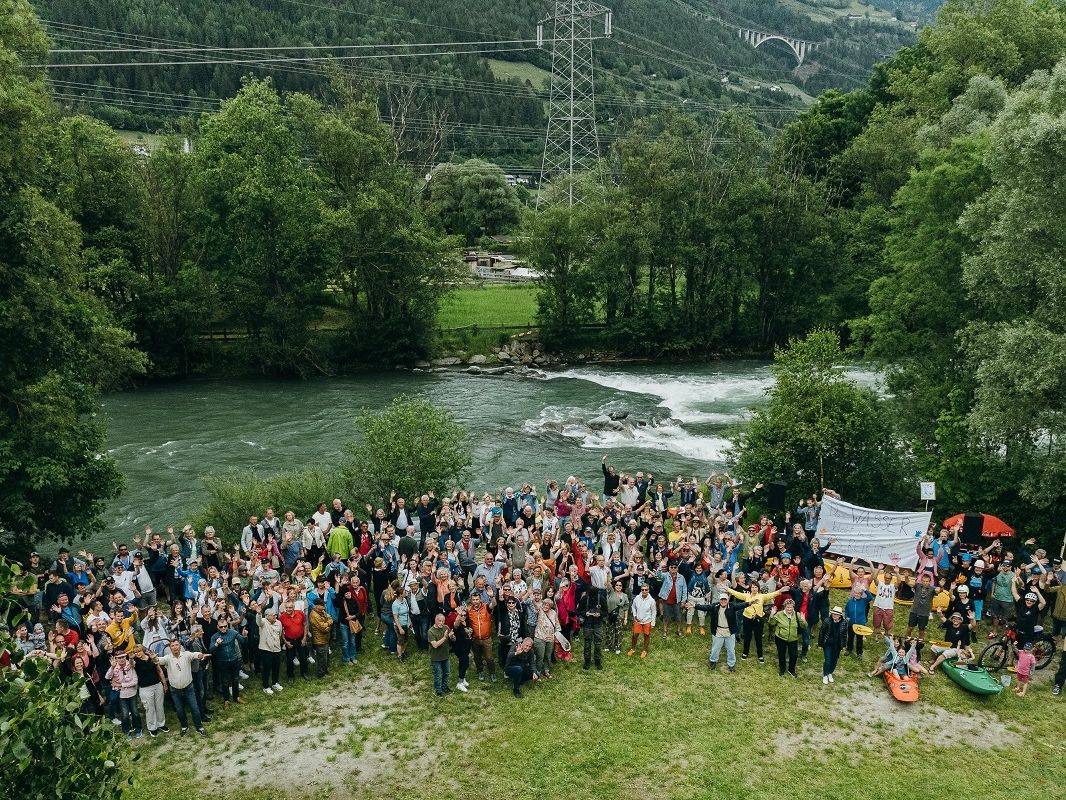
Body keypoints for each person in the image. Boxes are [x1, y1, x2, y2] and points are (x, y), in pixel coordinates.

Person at [154, 638, 209, 736]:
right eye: (172, 645)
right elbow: (159, 660)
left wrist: (201, 655)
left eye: (177, 645)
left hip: (188, 688)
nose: (175, 647)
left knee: (194, 708)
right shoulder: (167, 658)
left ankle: (199, 726)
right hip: (175, 690)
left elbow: (195, 654)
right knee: (179, 710)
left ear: (180, 646)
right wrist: (154, 658)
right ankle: (184, 726)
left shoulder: (186, 655)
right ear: (170, 648)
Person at [209, 617, 245, 707]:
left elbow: (243, 641)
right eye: (221, 627)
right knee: (224, 681)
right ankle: (226, 700)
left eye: (225, 626)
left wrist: (244, 635)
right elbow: (211, 650)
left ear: (227, 626)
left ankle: (236, 697)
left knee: (235, 679)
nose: (223, 628)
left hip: (234, 660)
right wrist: (216, 644)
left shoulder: (233, 633)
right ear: (218, 627)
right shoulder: (214, 636)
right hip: (222, 662)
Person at [768, 597, 807, 678]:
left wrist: (803, 620)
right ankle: (782, 669)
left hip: (793, 639)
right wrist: (772, 615)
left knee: (794, 655)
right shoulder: (779, 614)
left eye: (791, 607)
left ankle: (791, 670)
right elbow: (772, 623)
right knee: (781, 654)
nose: (789, 609)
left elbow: (804, 626)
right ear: (784, 607)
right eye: (788, 607)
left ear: (793, 607)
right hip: (780, 638)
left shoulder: (797, 615)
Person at [255, 605, 284, 694]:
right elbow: (258, 622)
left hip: (277, 649)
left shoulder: (279, 623)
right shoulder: (263, 621)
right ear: (267, 616)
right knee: (266, 669)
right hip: (266, 649)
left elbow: (280, 634)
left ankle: (275, 683)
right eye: (273, 615)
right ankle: (266, 686)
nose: (275, 616)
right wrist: (259, 613)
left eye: (275, 615)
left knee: (276, 667)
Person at [579, 586, 608, 670]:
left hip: (598, 624)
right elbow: (578, 610)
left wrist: (600, 614)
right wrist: (585, 613)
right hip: (587, 624)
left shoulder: (601, 598)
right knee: (587, 644)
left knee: (598, 644)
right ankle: (587, 661)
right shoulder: (585, 598)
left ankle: (597, 661)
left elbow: (606, 611)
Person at [819, 605, 849, 684]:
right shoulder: (827, 621)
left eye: (837, 614)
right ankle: (825, 675)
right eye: (833, 614)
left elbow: (845, 634)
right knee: (828, 660)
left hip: (837, 645)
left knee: (834, 660)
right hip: (828, 644)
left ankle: (830, 673)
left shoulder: (844, 622)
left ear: (840, 616)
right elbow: (822, 632)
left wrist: (844, 645)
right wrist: (820, 644)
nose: (834, 615)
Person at [428, 612, 454, 696]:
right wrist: (445, 637)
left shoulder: (446, 627)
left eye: (443, 621)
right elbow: (435, 645)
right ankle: (438, 691)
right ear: (435, 620)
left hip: (445, 655)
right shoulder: (431, 631)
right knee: (438, 675)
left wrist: (452, 636)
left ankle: (445, 687)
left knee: (446, 673)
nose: (441, 623)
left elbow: (453, 639)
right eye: (439, 621)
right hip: (436, 658)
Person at [628, 583, 656, 658]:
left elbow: (654, 612)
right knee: (635, 635)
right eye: (642, 590)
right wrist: (635, 616)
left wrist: (653, 623)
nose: (644, 591)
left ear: (648, 590)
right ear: (641, 590)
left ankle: (644, 651)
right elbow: (633, 607)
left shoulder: (652, 601)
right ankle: (632, 649)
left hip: (647, 621)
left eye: (646, 590)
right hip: (638, 620)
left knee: (646, 635)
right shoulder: (637, 598)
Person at [309, 599, 332, 678]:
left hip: (325, 638)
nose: (323, 606)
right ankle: (321, 674)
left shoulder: (322, 611)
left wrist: (327, 623)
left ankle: (326, 670)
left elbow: (330, 618)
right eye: (322, 605)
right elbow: (323, 628)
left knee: (326, 656)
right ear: (316, 606)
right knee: (322, 658)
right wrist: (329, 625)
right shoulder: (314, 615)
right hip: (319, 640)